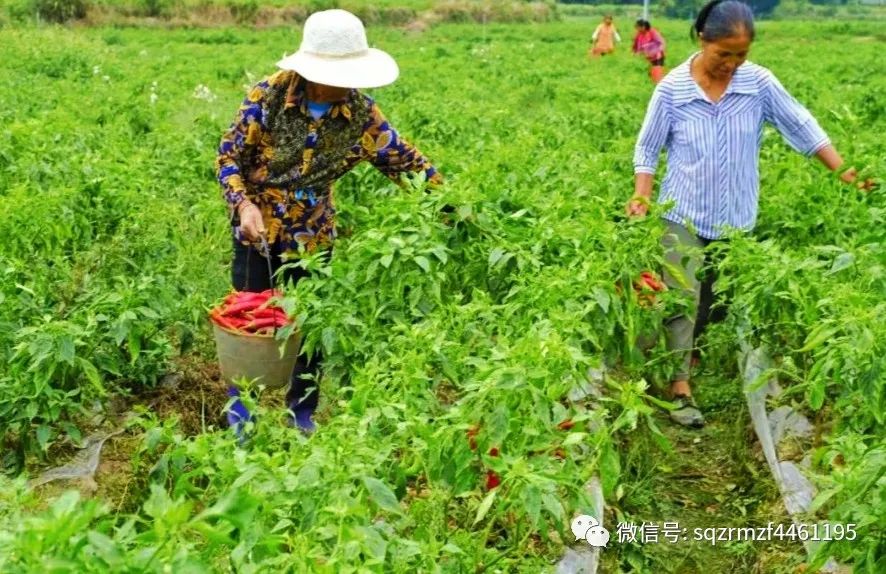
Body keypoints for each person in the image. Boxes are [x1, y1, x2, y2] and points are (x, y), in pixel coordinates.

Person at [627, 0, 872, 427]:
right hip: (681, 210)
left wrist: (844, 172)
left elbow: (800, 125)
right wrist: (642, 196)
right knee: (682, 297)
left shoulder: (757, 83)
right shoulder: (672, 89)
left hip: (736, 218)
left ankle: (693, 352)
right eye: (725, 54)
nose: (733, 64)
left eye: (741, 54)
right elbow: (648, 147)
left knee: (715, 302)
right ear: (702, 39)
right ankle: (679, 387)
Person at [216, 9, 441, 434]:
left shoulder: (361, 115)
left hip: (312, 235)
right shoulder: (266, 98)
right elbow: (229, 157)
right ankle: (242, 415)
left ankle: (301, 414)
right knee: (249, 319)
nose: (346, 84)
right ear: (311, 70)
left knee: (311, 325)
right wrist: (243, 206)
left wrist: (450, 204)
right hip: (257, 227)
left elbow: (405, 163)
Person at [632, 19, 666, 83]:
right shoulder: (639, 34)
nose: (637, 29)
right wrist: (636, 52)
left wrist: (656, 52)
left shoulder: (653, 32)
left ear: (643, 27)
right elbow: (636, 44)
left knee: (657, 74)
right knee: (649, 73)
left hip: (657, 57)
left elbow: (662, 43)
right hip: (647, 57)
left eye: (638, 27)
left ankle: (658, 86)